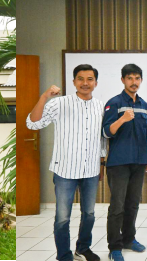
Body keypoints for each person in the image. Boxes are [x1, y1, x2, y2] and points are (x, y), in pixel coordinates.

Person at [26, 64, 104, 261]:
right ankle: (64, 255)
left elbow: (102, 138)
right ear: (73, 82)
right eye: (80, 79)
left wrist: (102, 164)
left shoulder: (101, 106)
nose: (85, 83)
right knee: (62, 217)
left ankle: (82, 249)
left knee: (89, 214)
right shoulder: (59, 103)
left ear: (95, 82)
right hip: (65, 171)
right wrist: (44, 97)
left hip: (91, 170)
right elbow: (33, 123)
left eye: (89, 79)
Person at [100, 64, 147, 259]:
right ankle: (115, 247)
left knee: (133, 204)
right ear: (123, 80)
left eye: (137, 78)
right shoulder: (114, 103)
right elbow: (106, 132)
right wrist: (122, 119)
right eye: (130, 78)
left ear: (141, 81)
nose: (134, 82)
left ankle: (129, 239)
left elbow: (146, 134)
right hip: (119, 163)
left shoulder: (144, 105)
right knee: (117, 206)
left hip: (139, 162)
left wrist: (146, 158)